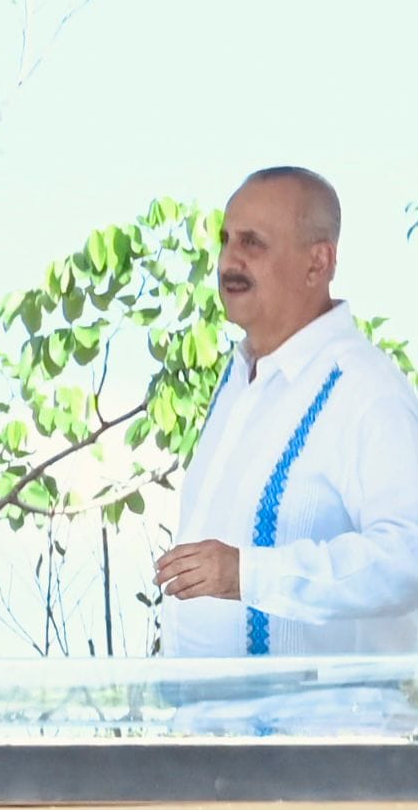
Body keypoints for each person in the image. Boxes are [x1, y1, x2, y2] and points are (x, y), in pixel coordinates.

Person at [156, 167, 418, 655]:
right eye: (226, 239)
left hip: (327, 730)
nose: (229, 260)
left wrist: (248, 574)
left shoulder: (365, 389)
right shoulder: (237, 381)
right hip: (207, 728)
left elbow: (409, 557)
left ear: (318, 262)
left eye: (253, 243)